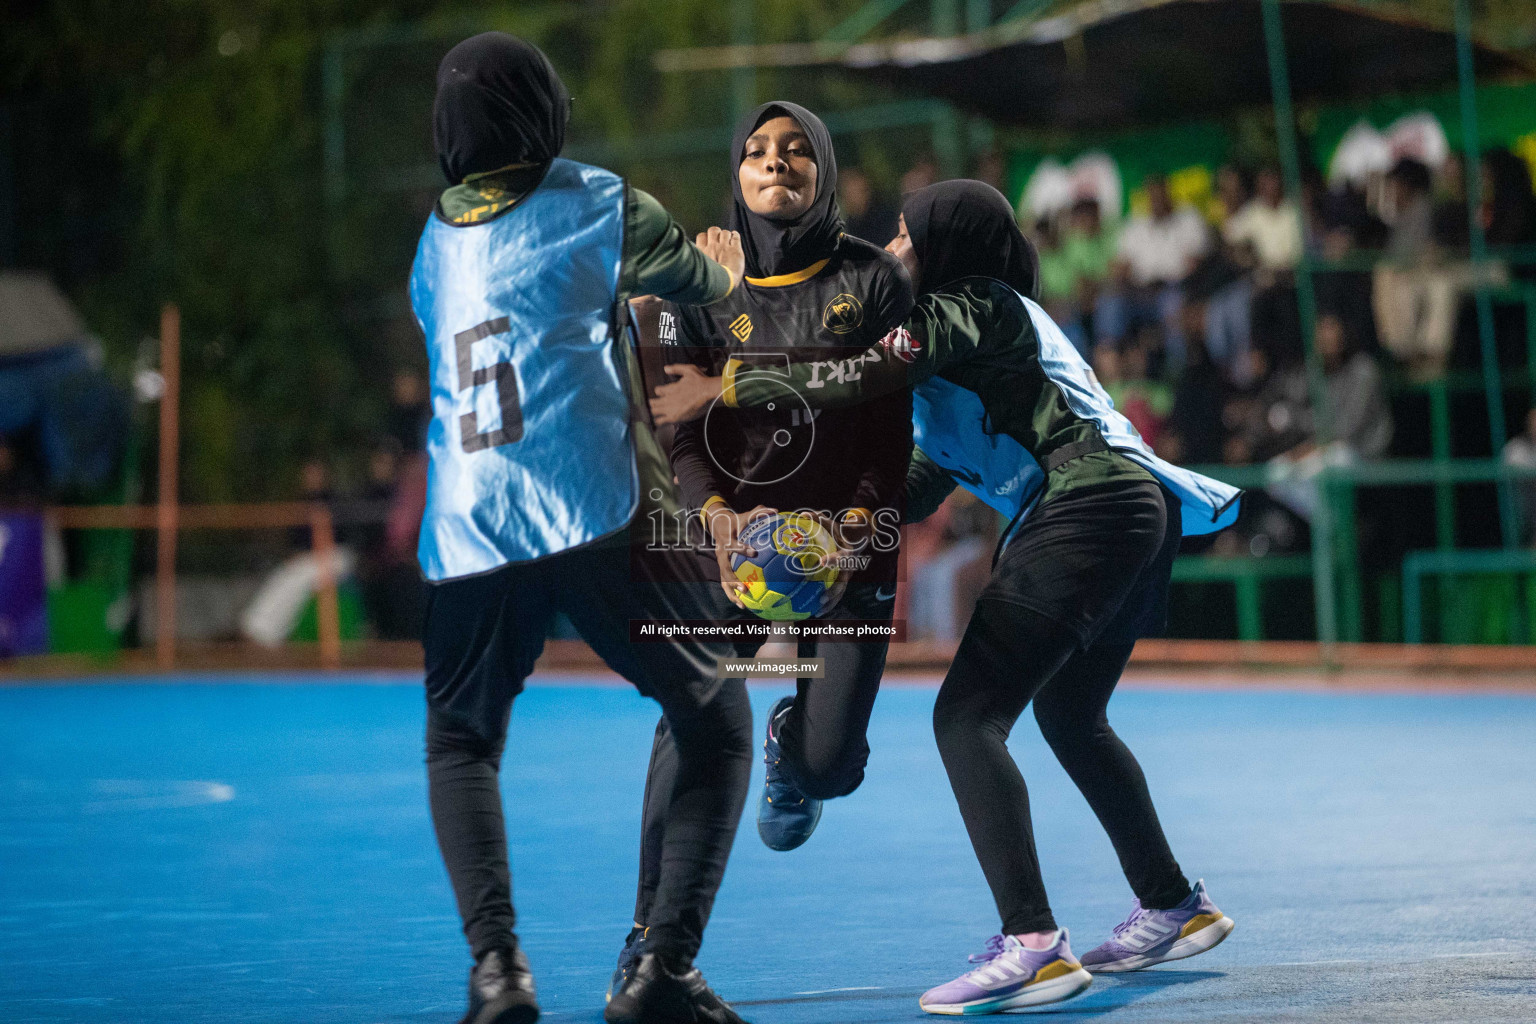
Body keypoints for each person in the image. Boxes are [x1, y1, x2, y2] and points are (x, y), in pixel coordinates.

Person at [653, 181, 1239, 1014]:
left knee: (966, 718)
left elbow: (861, 362)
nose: (891, 248)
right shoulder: (978, 347)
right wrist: (836, 527)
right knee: (1072, 717)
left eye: (904, 235)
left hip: (1090, 508)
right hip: (1133, 510)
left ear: (945, 247)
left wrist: (733, 310)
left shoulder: (974, 305)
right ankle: (1173, 903)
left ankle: (1033, 944)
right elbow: (920, 477)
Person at [412, 33, 756, 1024]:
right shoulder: (600, 200)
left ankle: (497, 971)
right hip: (592, 503)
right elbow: (708, 290)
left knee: (462, 742)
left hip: (471, 519)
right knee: (713, 715)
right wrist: (721, 263)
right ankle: (663, 970)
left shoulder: (432, 242)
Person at [614, 99, 916, 994]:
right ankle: (647, 939)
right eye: (755, 151)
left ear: (823, 172)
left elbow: (889, 439)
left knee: (832, 767)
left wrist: (847, 541)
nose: (775, 162)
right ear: (736, 176)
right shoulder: (690, 283)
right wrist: (715, 523)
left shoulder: (874, 282)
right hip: (728, 542)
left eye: (795, 151)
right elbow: (676, 430)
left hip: (850, 545)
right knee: (695, 719)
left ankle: (797, 740)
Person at [1095, 174, 1210, 368]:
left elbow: (1195, 264)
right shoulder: (1136, 226)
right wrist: (1120, 276)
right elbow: (1121, 266)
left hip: (1174, 288)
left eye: (1160, 194)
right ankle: (1111, 370)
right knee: (1110, 302)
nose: (1156, 200)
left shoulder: (1188, 220)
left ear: (1168, 193)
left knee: (1172, 305)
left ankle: (1177, 368)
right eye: (1151, 195)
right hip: (1139, 291)